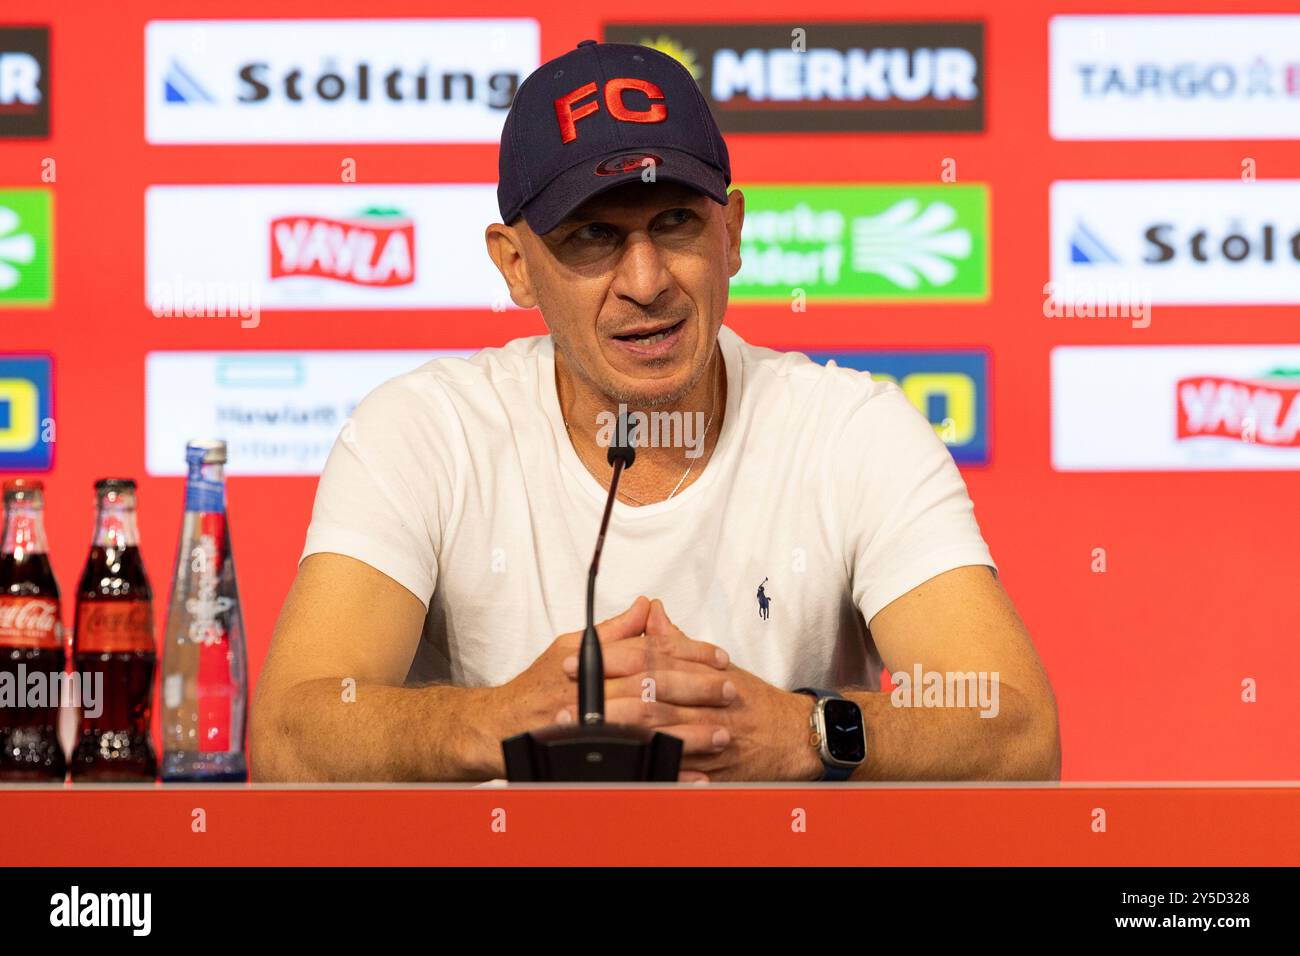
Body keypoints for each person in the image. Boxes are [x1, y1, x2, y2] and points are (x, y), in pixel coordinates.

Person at [251, 41, 1059, 783]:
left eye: (675, 222)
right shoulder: (423, 430)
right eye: (593, 236)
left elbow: (1019, 733)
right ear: (515, 267)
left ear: (732, 233)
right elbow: (290, 737)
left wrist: (805, 731)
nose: (646, 282)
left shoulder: (852, 429)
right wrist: (489, 722)